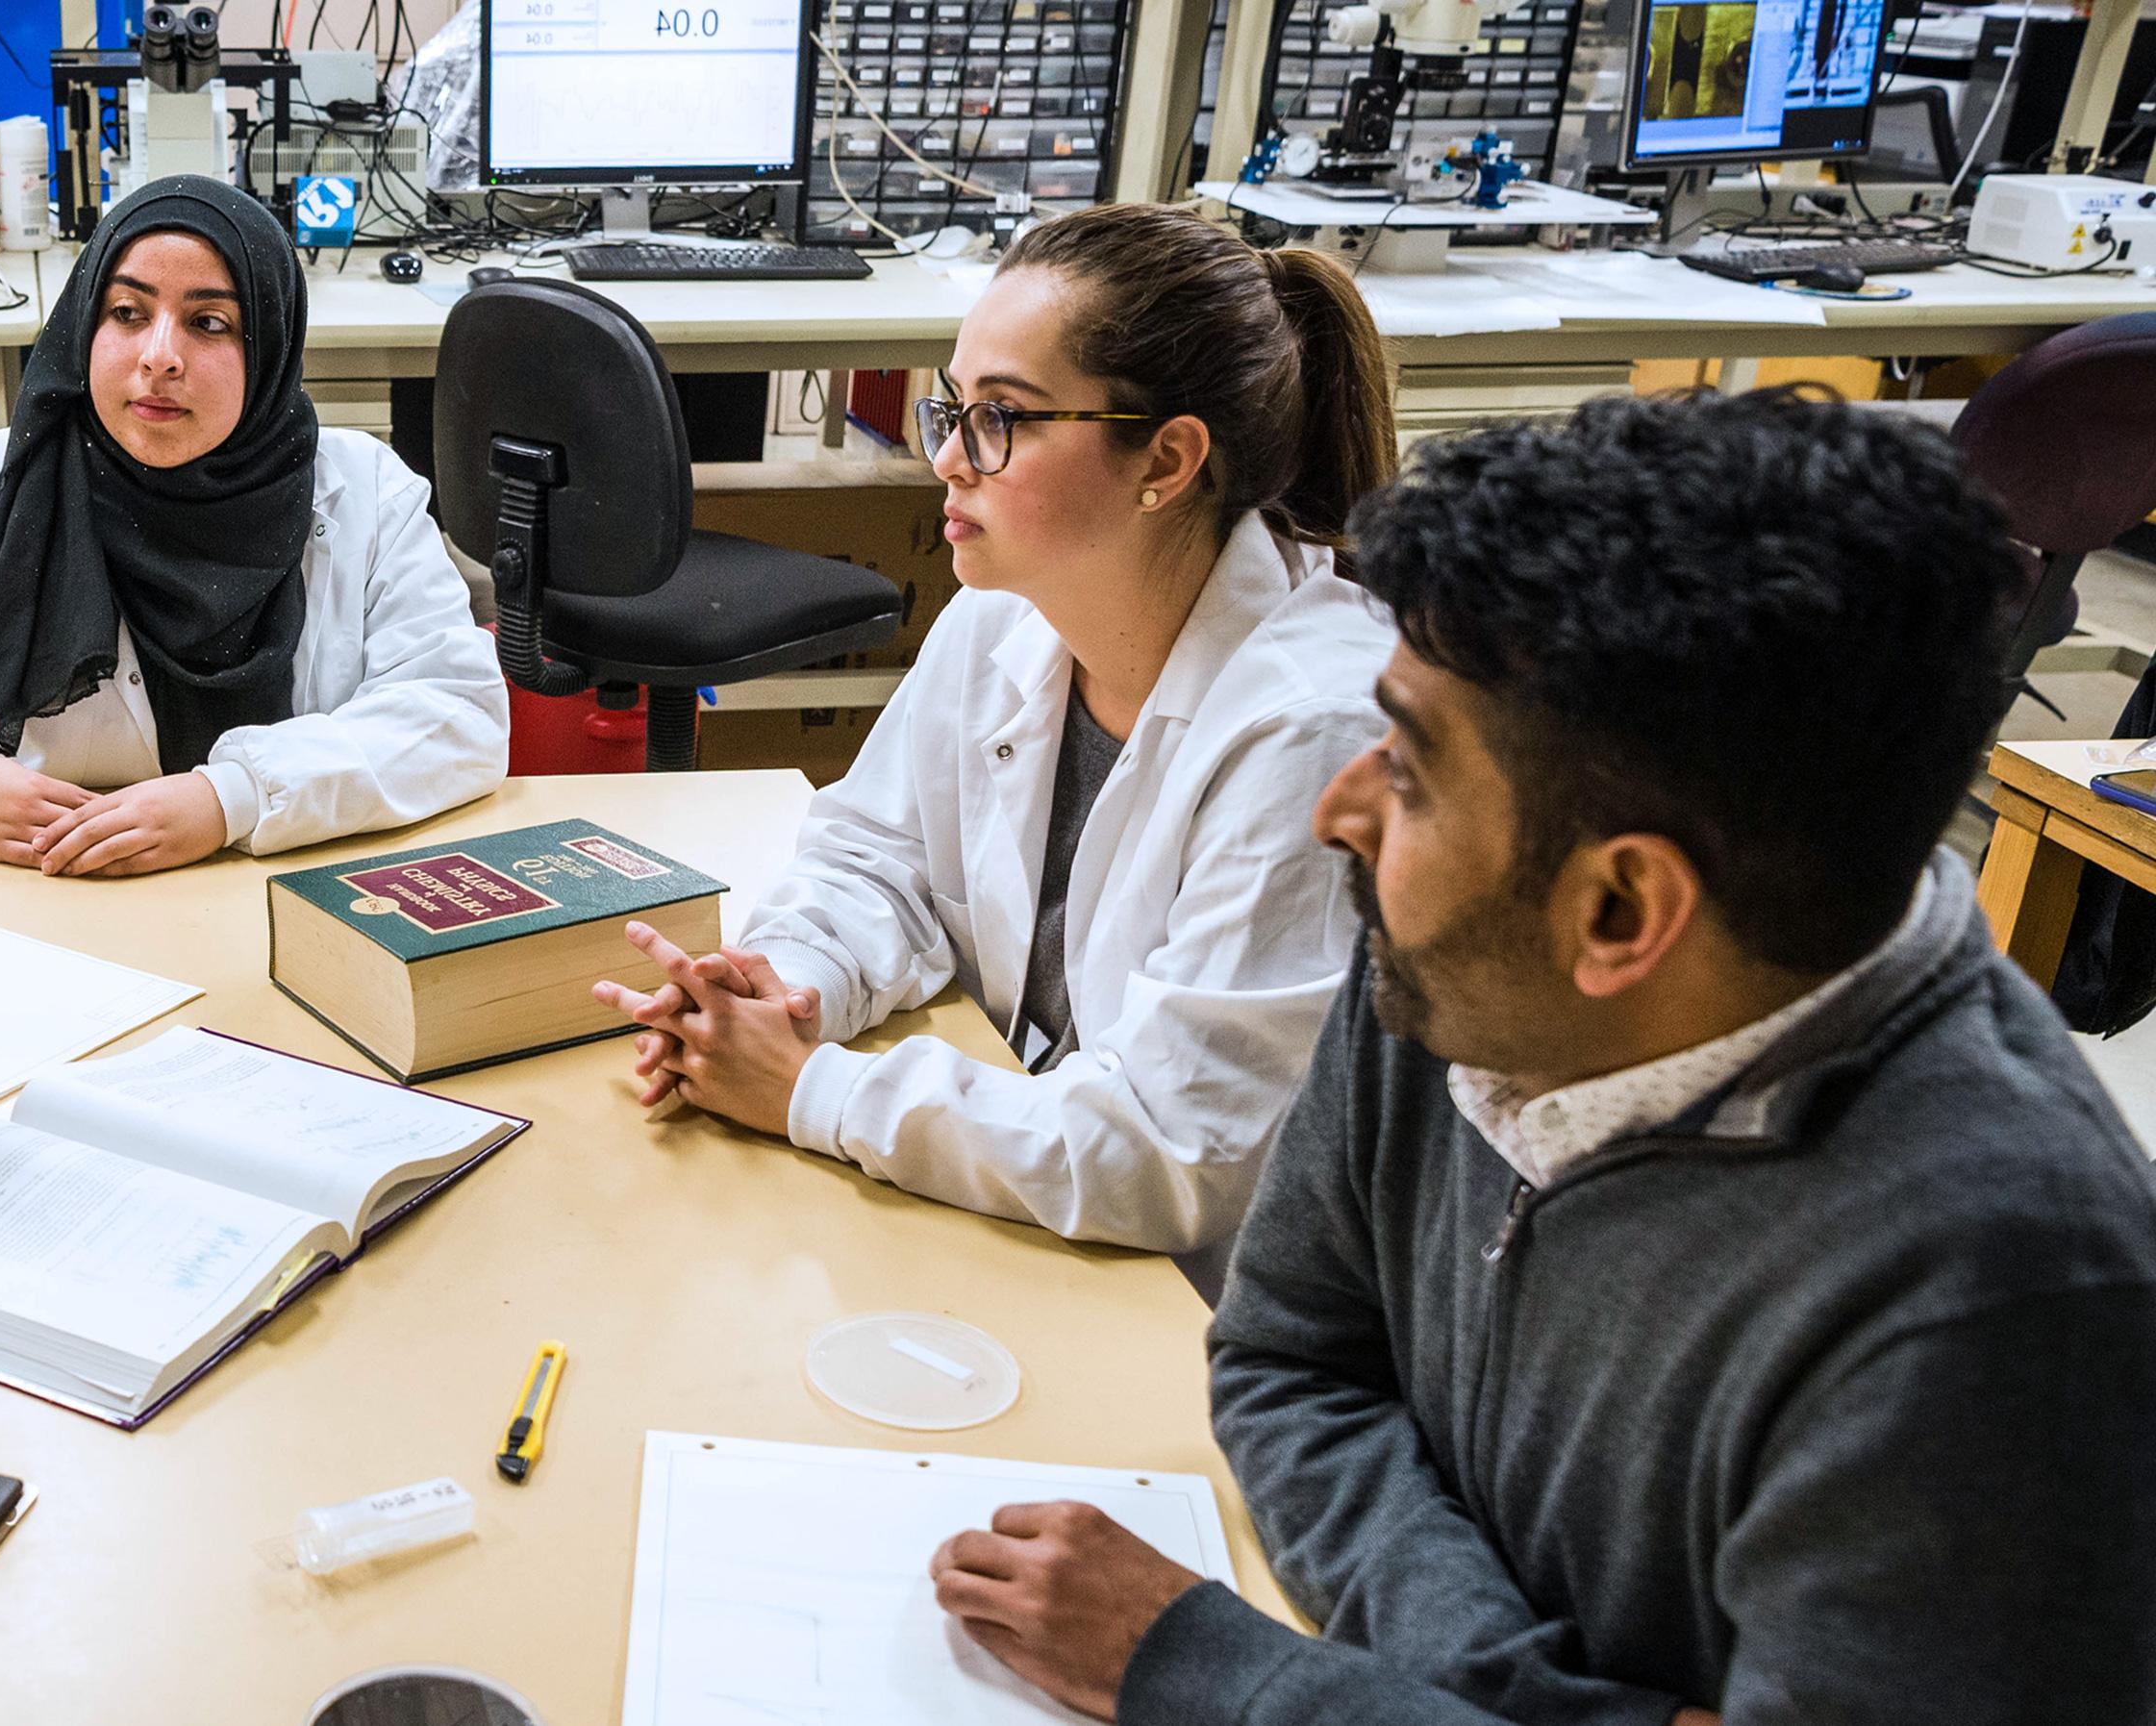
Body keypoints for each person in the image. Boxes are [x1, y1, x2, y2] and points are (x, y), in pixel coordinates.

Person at [923, 389, 2156, 1725]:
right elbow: (1289, 1357)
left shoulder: (1998, 1315)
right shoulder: (1461, 960)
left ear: (1621, 912)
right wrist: (1519, 1690)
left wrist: (1229, 1670)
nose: (1344, 806)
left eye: (1411, 768)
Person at [595, 204, 1397, 1267]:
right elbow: (879, 859)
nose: (949, 461)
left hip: (1201, 1297)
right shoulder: (1005, 614)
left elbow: (1174, 1146)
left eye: (1002, 418)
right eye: (952, 408)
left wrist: (808, 1087)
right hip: (1042, 1213)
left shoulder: (1312, 727)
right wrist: (786, 986)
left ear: (1165, 460)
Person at [0, 174, 503, 877]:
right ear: (85, 323)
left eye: (208, 322)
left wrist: (235, 797)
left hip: (275, 903)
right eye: (127, 313)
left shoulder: (367, 498)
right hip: (6, 907)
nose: (158, 356)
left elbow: (455, 711)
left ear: (271, 348)